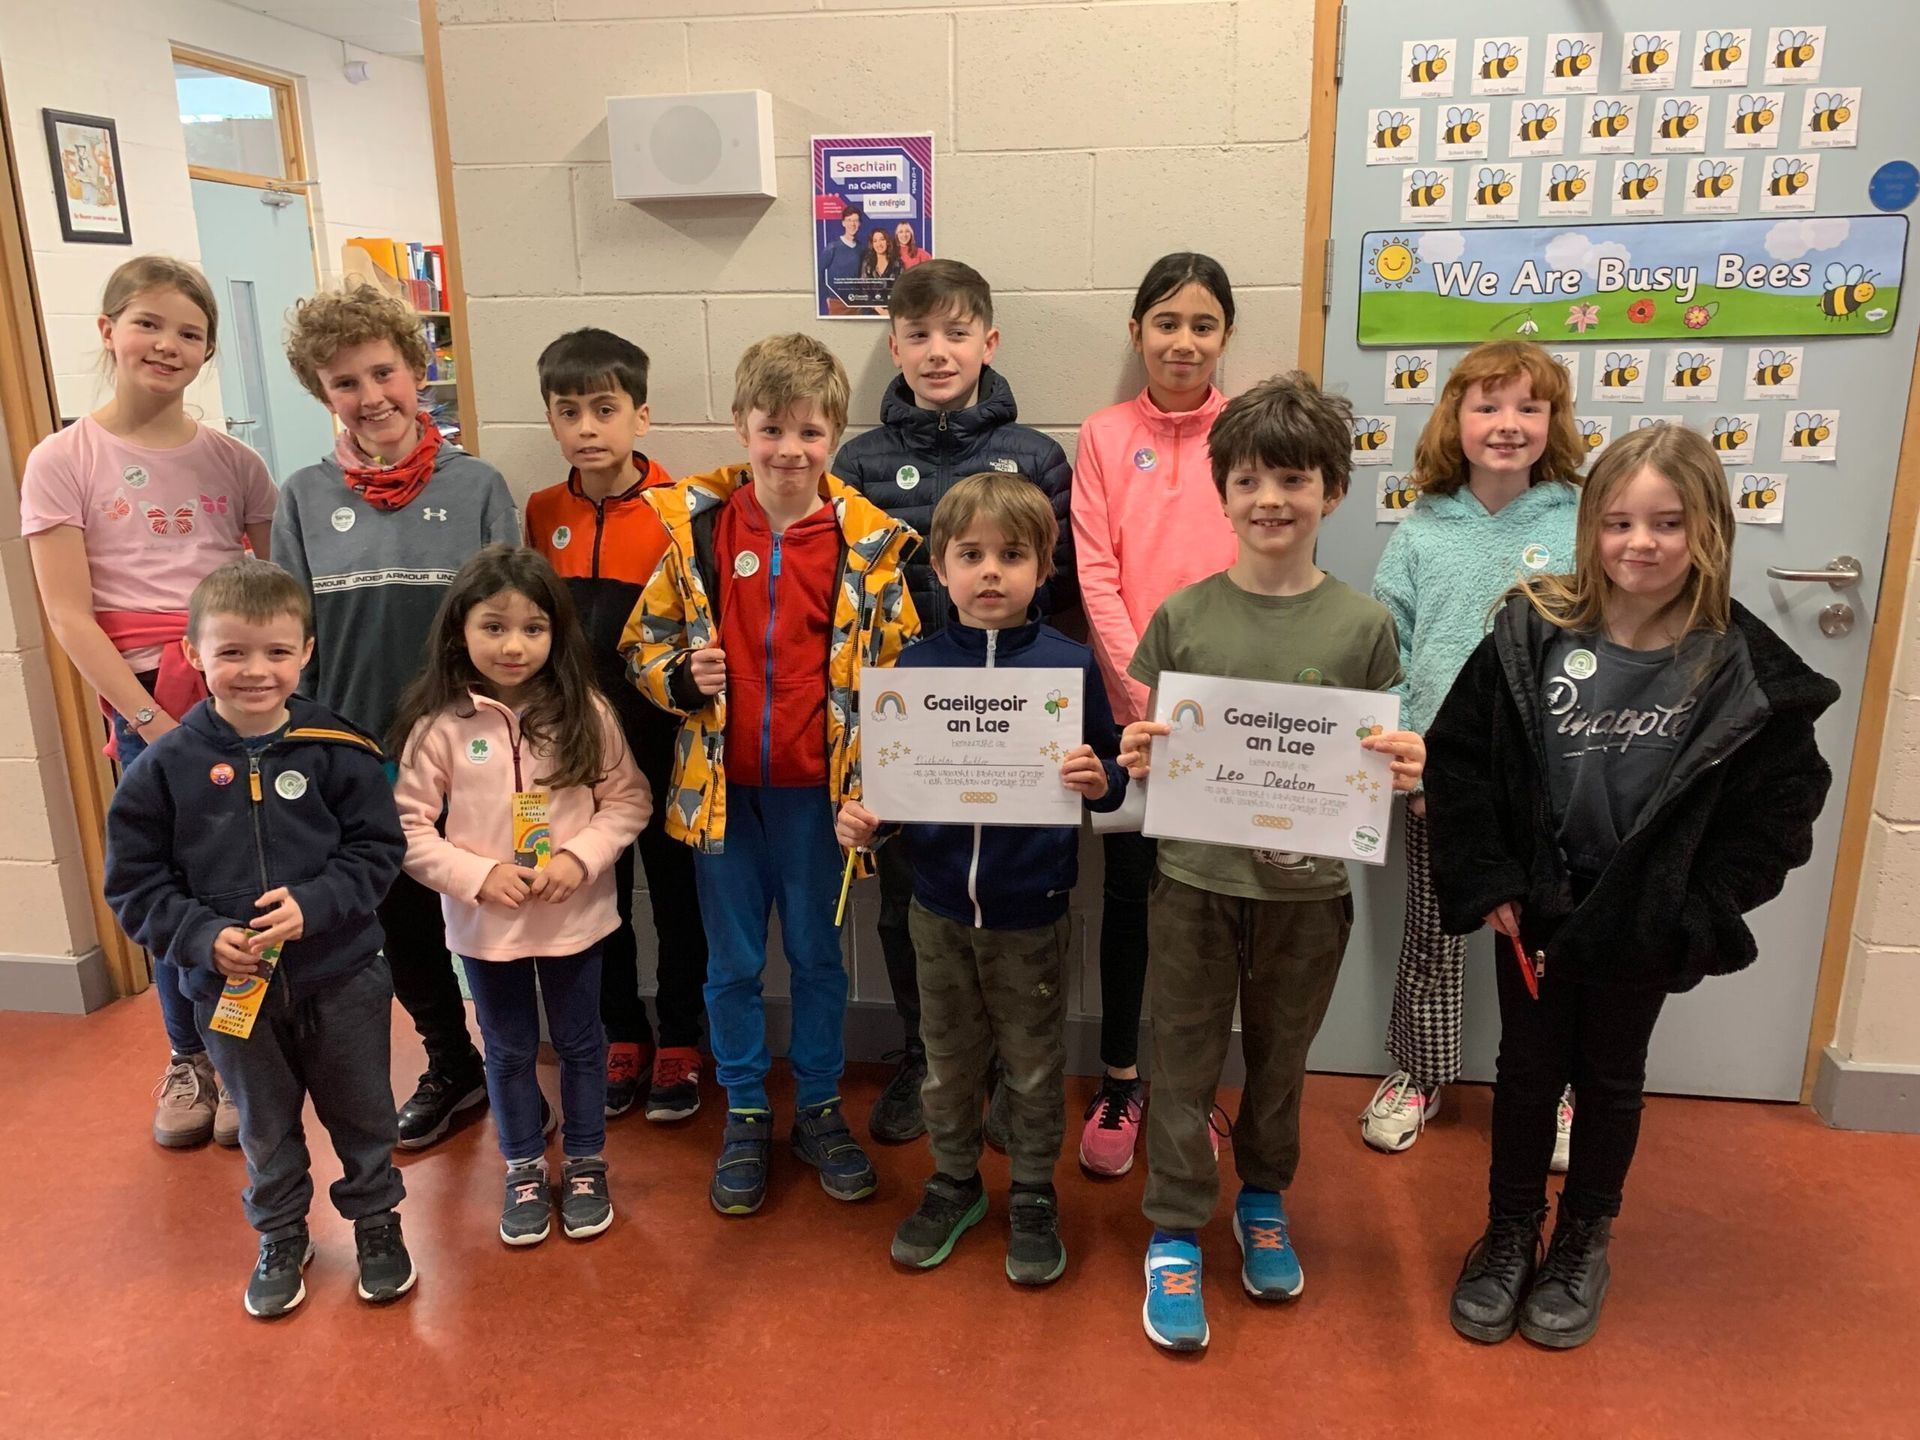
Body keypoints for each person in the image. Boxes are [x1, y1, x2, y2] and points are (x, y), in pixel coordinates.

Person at [1426, 423, 1837, 1350]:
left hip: (1639, 918)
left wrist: (1696, 910)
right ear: (1590, 530)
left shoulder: (1740, 665)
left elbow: (1782, 807)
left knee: (1610, 1080)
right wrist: (1488, 875)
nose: (1639, 543)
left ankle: (1583, 1238)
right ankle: (1509, 1232)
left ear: (1709, 530)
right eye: (1617, 522)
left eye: (1666, 523)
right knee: (1527, 1074)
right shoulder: (1530, 630)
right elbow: (1459, 761)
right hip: (1536, 906)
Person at [1117, 373, 1426, 1353]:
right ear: (1222, 493)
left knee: (1282, 1060)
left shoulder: (1364, 627)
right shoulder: (1183, 617)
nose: (1270, 501)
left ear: (1332, 490)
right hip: (1194, 883)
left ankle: (1261, 1198)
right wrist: (1140, 753)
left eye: (1293, 479)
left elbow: (1374, 758)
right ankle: (1174, 1226)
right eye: (1249, 480)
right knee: (1182, 1058)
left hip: (1308, 891)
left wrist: (1403, 765)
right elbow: (1153, 746)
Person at [622, 333, 919, 1217]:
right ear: (741, 426)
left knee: (820, 958)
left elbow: (902, 678)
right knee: (733, 964)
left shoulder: (869, 548)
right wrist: (683, 680)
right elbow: (641, 646)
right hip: (721, 799)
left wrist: (878, 792)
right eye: (772, 429)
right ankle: (747, 1108)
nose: (790, 449)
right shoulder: (699, 532)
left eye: (810, 431)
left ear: (836, 436)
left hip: (821, 803)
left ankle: (820, 1106)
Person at [103, 558, 415, 1319]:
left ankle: (376, 1220)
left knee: (364, 1112)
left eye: (277, 651)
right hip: (230, 994)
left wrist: (317, 903)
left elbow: (378, 850)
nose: (255, 670)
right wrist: (200, 936)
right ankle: (281, 1233)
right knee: (265, 1124)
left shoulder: (338, 749)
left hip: (342, 977)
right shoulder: (163, 769)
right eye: (233, 651)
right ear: (192, 652)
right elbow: (135, 885)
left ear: (306, 651)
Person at [836, 474, 1126, 1285]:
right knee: (946, 1062)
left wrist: (1100, 778)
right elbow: (889, 796)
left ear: (1045, 567)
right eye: (971, 555)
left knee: (1034, 1067)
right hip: (935, 910)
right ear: (940, 567)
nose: (991, 571)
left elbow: (1113, 772)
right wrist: (864, 821)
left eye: (1012, 555)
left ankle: (1032, 1192)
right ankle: (955, 1181)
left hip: (1031, 912)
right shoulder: (914, 669)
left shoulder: (1069, 667)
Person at [21, 255, 276, 1150]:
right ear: (108, 330)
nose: (167, 345)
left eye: (189, 333)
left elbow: (272, 593)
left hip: (238, 698)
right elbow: (67, 613)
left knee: (245, 881)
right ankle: (189, 1058)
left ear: (208, 352)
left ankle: (242, 1056)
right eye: (148, 324)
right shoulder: (63, 460)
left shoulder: (236, 463)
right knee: (170, 888)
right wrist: (151, 724)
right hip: (143, 705)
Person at [832, 258, 1075, 1145]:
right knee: (911, 900)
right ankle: (924, 1059)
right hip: (910, 720)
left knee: (1017, 903)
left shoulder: (1038, 457)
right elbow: (845, 596)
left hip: (1017, 726)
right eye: (920, 335)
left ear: (989, 342)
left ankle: (1016, 1072)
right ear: (895, 346)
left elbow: (1065, 590)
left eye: (957, 333)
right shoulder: (858, 462)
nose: (939, 352)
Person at [273, 284, 519, 1152]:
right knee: (400, 922)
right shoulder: (303, 498)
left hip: (466, 750)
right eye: (345, 382)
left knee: (490, 908)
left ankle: (514, 1063)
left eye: (383, 372)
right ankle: (452, 1063)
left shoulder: (478, 487)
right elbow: (290, 638)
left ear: (417, 369)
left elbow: (515, 626)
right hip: (357, 754)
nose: (371, 396)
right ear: (321, 392)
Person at [1361, 342, 1584, 1158]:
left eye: (1529, 407)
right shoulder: (1422, 530)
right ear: (1455, 419)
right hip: (1443, 777)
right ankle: (1420, 1074)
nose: (1507, 424)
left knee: (1549, 939)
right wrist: (1412, 762)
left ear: (1554, 421)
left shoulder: (1579, 522)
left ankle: (1555, 1086)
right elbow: (1390, 652)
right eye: (1487, 406)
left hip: (1550, 782)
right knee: (1434, 933)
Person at [392, 547, 650, 1246]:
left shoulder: (586, 711)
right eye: (494, 627)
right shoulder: (439, 725)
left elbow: (627, 801)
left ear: (556, 635)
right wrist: (475, 876)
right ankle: (524, 1166)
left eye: (533, 628)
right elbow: (407, 829)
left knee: (581, 1043)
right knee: (507, 1049)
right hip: (486, 929)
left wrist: (579, 857)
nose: (514, 646)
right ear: (460, 632)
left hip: (575, 920)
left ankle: (587, 1161)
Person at [1069, 252, 1240, 1177]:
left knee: (1208, 907)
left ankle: (1190, 1085)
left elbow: (1261, 565)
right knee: (1131, 900)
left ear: (1225, 337)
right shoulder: (1102, 436)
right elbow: (1096, 572)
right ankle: (1123, 1079)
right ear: (1137, 332)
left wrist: (1205, 708)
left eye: (1203, 325)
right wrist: (1144, 699)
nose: (1184, 341)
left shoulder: (1247, 433)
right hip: (1130, 713)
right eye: (1166, 322)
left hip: (1223, 718)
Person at [525, 327, 710, 1123]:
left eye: (605, 409)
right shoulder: (542, 512)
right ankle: (620, 1033)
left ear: (642, 415)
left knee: (677, 895)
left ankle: (681, 1036)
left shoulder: (685, 510)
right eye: (569, 412)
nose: (588, 428)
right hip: (576, 745)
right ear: (551, 419)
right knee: (595, 892)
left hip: (664, 739)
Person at [820, 204, 866, 316]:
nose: (852, 224)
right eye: (849, 220)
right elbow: (819, 272)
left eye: (855, 220)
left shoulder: (862, 249)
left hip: (857, 304)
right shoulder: (832, 247)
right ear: (843, 223)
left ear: (859, 224)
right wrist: (826, 297)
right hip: (837, 303)